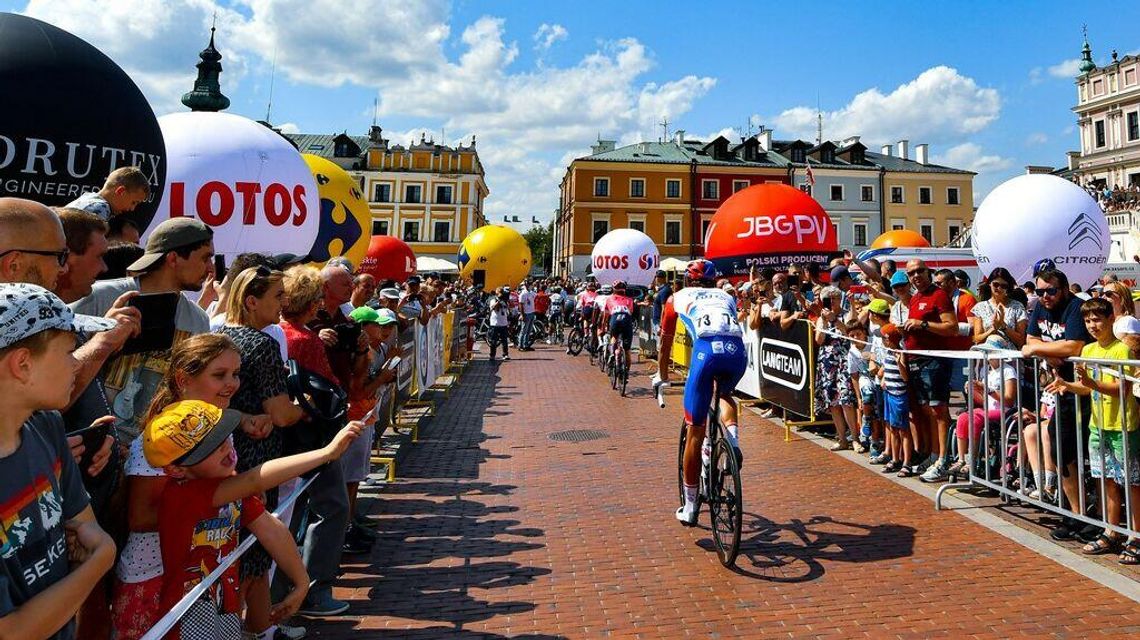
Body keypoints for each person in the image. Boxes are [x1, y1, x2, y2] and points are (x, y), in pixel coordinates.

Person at [143, 401, 362, 639]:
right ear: (176, 470)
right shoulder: (182, 493)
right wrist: (326, 453)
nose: (224, 448)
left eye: (223, 437)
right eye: (208, 448)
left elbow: (272, 530)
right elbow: (254, 480)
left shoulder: (230, 488)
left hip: (224, 606)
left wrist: (301, 581)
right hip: (185, 616)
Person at [111, 334, 272, 640]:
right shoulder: (162, 437)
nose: (232, 384)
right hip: (154, 576)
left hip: (205, 571)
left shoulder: (217, 423)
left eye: (236, 374)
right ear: (184, 378)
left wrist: (240, 493)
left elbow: (219, 482)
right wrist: (218, 503)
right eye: (219, 375)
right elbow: (140, 516)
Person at [0, 283, 118, 640]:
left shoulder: (47, 427)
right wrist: (103, 557)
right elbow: (14, 630)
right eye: (69, 350)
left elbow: (83, 527)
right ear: (22, 364)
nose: (76, 362)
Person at [218, 266, 307, 636]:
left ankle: (259, 628)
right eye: (276, 297)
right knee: (253, 553)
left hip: (224, 451)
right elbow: (281, 414)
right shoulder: (263, 345)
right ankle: (251, 629)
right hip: (256, 457)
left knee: (237, 550)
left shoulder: (220, 335)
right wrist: (310, 405)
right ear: (252, 301)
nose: (283, 303)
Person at [71, 217, 214, 443]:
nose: (210, 269)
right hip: (91, 443)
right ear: (173, 258)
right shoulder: (99, 298)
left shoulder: (198, 320)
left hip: (149, 451)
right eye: (206, 258)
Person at [1045, 297, 1140, 562]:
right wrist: (1067, 385)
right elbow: (1087, 387)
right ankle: (1112, 531)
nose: (1092, 325)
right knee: (1105, 479)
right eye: (1087, 321)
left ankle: (1135, 535)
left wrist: (1090, 384)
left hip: (1122, 423)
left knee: (1131, 482)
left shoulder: (1122, 351)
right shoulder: (1087, 350)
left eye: (1097, 319)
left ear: (1111, 319)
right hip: (1098, 424)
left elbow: (1123, 388)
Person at [654, 260, 747, 525]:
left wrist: (662, 376)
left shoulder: (676, 297)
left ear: (687, 281)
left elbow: (665, 342)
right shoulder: (726, 295)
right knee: (726, 395)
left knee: (695, 428)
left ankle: (691, 506)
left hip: (706, 351)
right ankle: (734, 442)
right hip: (736, 352)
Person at [1021, 268, 1092, 542]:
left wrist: (1040, 349)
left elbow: (1074, 346)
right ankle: (1074, 513)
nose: (1045, 296)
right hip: (1059, 392)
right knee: (1062, 453)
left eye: (1051, 290)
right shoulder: (1040, 307)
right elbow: (1030, 340)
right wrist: (1046, 349)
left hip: (1085, 390)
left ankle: (1088, 516)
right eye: (1040, 291)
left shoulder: (1076, 307)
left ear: (1064, 289)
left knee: (1080, 456)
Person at [342, 307, 399, 543]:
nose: (384, 329)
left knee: (355, 478)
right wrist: (382, 378)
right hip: (355, 419)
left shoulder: (374, 351)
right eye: (378, 325)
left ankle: (351, 519)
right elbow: (357, 392)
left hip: (366, 417)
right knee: (349, 478)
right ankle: (346, 526)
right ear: (363, 328)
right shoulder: (359, 354)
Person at [900, 260, 957, 482]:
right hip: (916, 360)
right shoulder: (915, 298)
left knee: (939, 410)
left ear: (928, 272)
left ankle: (943, 459)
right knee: (927, 411)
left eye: (920, 271)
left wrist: (922, 325)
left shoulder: (939, 295)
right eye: (911, 273)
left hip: (934, 360)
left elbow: (951, 327)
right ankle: (934, 454)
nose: (916, 276)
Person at [948, 345, 1018, 479]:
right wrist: (974, 391)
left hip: (1004, 411)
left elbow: (1009, 400)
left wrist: (987, 389)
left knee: (976, 417)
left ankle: (972, 460)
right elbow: (984, 400)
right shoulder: (985, 370)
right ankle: (961, 459)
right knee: (964, 417)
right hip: (988, 409)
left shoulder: (1008, 371)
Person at [814, 286, 859, 451]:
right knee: (833, 402)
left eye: (835, 298)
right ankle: (841, 438)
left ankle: (855, 437)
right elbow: (819, 340)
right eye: (829, 299)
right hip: (827, 363)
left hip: (844, 361)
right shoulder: (821, 318)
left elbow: (850, 332)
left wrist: (835, 320)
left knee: (846, 400)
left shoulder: (847, 313)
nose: (832, 302)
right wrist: (825, 321)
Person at [878, 323, 912, 475]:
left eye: (884, 338)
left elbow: (905, 377)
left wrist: (899, 362)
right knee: (892, 428)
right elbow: (884, 370)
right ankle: (895, 458)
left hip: (899, 396)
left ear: (889, 339)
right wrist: (883, 377)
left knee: (903, 430)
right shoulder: (887, 352)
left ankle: (906, 462)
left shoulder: (900, 352)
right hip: (889, 394)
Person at [971, 267, 1028, 351]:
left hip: (1010, 358)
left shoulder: (1017, 307)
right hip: (986, 357)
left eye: (1003, 286)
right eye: (996, 284)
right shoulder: (980, 307)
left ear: (1008, 287)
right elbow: (977, 339)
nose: (999, 288)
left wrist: (1003, 326)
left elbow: (1021, 341)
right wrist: (992, 329)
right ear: (990, 284)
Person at [65, 167, 150, 222]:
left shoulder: (86, 200)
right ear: (121, 191)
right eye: (133, 202)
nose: (132, 209)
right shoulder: (100, 209)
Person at [602, 280, 636, 373]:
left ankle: (613, 353)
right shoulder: (630, 300)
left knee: (614, 337)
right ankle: (627, 373)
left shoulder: (609, 299)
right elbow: (631, 313)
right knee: (627, 349)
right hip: (626, 321)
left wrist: (603, 326)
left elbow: (606, 315)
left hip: (614, 320)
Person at [488, 286, 511, 361]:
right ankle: (492, 355)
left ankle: (505, 354)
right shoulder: (493, 300)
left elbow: (508, 308)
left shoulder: (505, 300)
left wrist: (505, 300)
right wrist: (499, 301)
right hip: (495, 324)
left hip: (503, 323)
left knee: (504, 340)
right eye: (500, 293)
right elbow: (493, 308)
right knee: (493, 341)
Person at [519, 283, 537, 350]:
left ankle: (526, 345)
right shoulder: (523, 294)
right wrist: (522, 315)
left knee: (529, 330)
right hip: (526, 313)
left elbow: (537, 296)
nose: (531, 286)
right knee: (523, 330)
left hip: (532, 312)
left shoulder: (531, 293)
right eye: (529, 284)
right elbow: (520, 305)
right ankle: (520, 346)